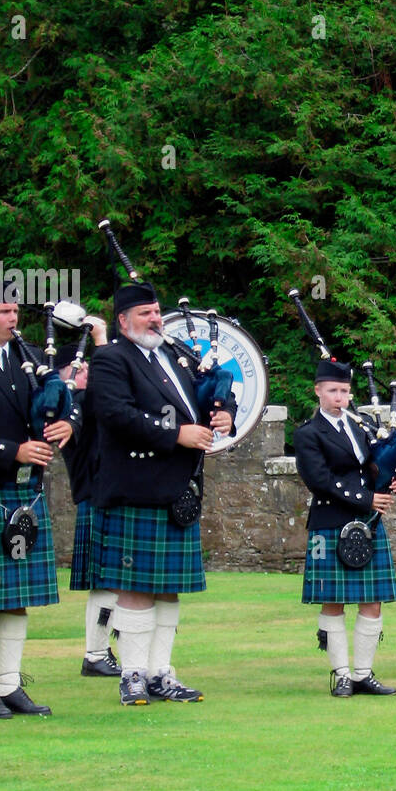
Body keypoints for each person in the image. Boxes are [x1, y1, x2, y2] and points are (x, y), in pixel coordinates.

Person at [86, 282, 235, 707]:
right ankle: (132, 675)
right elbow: (115, 415)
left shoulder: (171, 357)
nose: (155, 318)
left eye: (156, 311)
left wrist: (223, 411)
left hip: (178, 490)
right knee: (135, 586)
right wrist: (176, 434)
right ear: (122, 321)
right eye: (145, 313)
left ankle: (160, 673)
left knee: (169, 588)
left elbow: (207, 393)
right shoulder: (112, 359)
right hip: (137, 486)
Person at [295, 357, 396, 697]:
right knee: (334, 602)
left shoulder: (361, 428)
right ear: (318, 391)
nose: (340, 397)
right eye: (332, 390)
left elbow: (376, 467)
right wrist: (366, 499)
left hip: (367, 524)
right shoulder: (308, 434)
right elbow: (320, 480)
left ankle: (363, 673)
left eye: (344, 390)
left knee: (372, 601)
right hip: (330, 522)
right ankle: (341, 674)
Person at [0, 296, 72, 719]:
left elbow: (60, 405)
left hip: (24, 494)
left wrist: (66, 423)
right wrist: (10, 451)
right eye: (4, 312)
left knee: (15, 597)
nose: (14, 318)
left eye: (16, 311)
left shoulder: (29, 358)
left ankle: (8, 683)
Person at [59, 316, 122, 678]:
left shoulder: (82, 402)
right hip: (98, 496)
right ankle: (96, 655)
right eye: (85, 370)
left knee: (115, 582)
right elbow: (104, 393)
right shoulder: (77, 401)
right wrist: (101, 340)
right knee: (106, 582)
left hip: (104, 494)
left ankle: (102, 651)